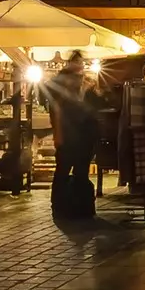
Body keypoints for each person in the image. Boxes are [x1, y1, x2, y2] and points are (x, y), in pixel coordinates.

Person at [43, 54, 99, 221]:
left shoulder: (82, 82)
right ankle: (60, 205)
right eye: (78, 63)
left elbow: (89, 106)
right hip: (69, 135)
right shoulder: (61, 83)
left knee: (80, 170)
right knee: (63, 170)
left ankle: (80, 206)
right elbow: (57, 111)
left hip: (83, 135)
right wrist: (58, 134)